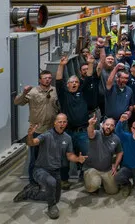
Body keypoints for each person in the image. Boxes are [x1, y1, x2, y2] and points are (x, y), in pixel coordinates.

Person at [13, 114, 87, 220]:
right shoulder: (46, 135)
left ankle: (30, 193)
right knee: (51, 183)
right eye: (60, 122)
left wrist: (77, 159)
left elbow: (69, 155)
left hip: (55, 171)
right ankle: (51, 207)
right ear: (55, 123)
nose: (62, 124)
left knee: (55, 198)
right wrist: (30, 135)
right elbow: (32, 143)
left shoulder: (67, 138)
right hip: (40, 170)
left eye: (64, 122)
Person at [55, 55, 96, 189]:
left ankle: (86, 177)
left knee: (87, 156)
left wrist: (90, 63)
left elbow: (89, 77)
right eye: (71, 82)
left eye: (76, 82)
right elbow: (58, 81)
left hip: (82, 131)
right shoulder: (64, 95)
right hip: (67, 133)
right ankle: (64, 180)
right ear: (67, 85)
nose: (74, 84)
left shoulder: (82, 92)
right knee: (65, 157)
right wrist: (61, 65)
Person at [14, 70, 59, 186]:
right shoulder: (33, 92)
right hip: (38, 130)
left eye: (49, 78)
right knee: (35, 158)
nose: (47, 80)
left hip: (52, 130)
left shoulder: (54, 91)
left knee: (51, 157)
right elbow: (17, 102)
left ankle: (50, 180)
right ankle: (33, 183)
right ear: (40, 80)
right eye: (45, 78)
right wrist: (24, 92)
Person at [84, 115, 122, 195]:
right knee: (93, 185)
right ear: (102, 125)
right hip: (93, 169)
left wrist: (115, 165)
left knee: (113, 191)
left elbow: (120, 152)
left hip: (107, 169)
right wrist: (91, 124)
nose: (109, 127)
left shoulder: (116, 139)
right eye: (107, 124)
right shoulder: (96, 134)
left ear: (114, 127)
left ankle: (103, 182)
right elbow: (90, 133)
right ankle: (94, 182)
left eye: (111, 125)